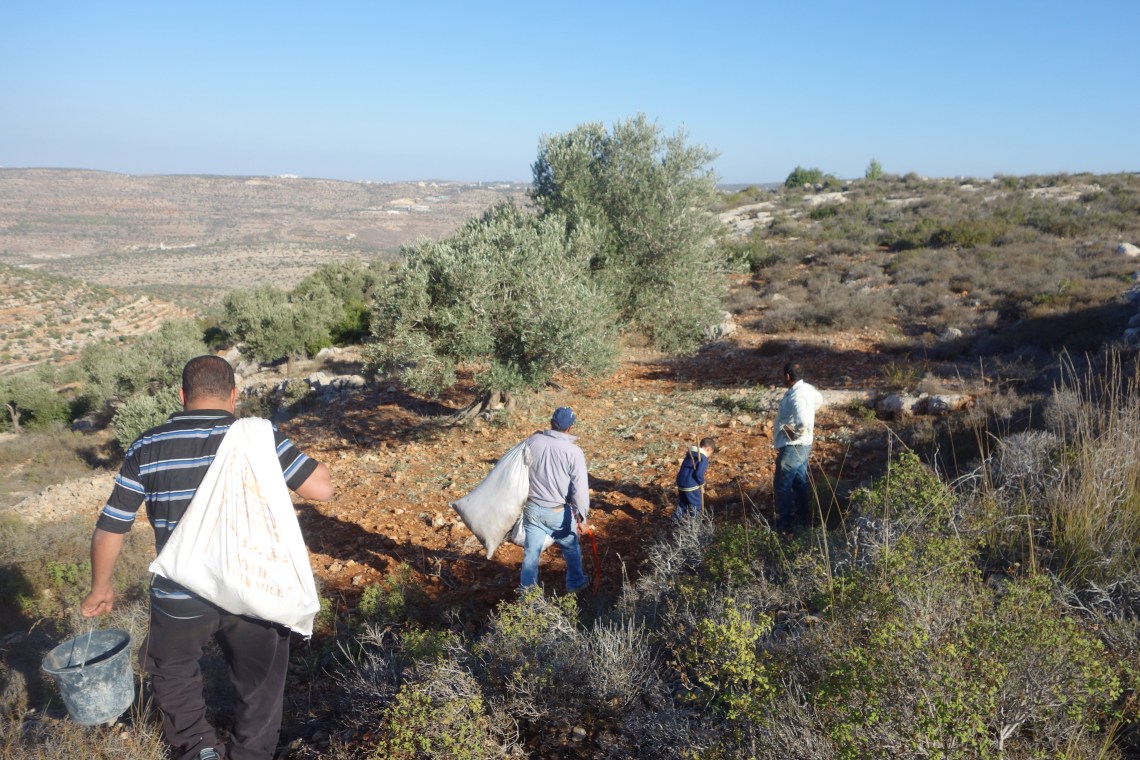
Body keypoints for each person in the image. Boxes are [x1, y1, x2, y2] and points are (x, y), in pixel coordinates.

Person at [81, 355, 333, 760]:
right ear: (234, 395)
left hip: (181, 592)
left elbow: (112, 525)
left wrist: (101, 588)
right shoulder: (258, 436)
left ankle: (197, 749)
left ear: (182, 396)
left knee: (173, 671)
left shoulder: (147, 444)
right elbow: (321, 489)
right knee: (260, 685)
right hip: (254, 587)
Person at [520, 406, 590, 593]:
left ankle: (527, 599)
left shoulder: (532, 441)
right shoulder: (573, 451)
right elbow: (580, 488)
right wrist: (583, 517)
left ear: (551, 423)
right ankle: (575, 584)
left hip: (532, 508)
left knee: (531, 554)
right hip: (557, 512)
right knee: (570, 546)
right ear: (570, 428)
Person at [772, 361, 823, 534]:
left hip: (794, 446)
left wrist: (796, 433)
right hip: (804, 444)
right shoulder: (807, 389)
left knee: (782, 484)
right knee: (799, 481)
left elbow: (803, 421)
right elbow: (819, 400)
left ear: (787, 376)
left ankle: (784, 526)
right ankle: (803, 520)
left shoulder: (797, 396)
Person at [674, 437, 716, 522]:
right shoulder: (703, 459)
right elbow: (698, 474)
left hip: (681, 482)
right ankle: (695, 525)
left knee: (683, 504)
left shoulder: (690, 454)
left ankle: (674, 522)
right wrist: (702, 484)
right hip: (690, 485)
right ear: (709, 449)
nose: (710, 455)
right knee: (696, 505)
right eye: (711, 453)